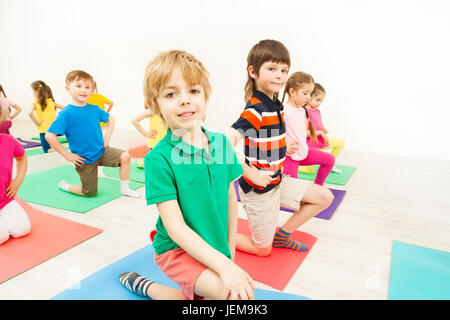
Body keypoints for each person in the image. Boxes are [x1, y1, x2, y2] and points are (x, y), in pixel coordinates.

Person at [119, 50, 255, 300]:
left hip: (213, 243)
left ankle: (143, 285)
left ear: (205, 96)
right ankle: (142, 285)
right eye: (171, 94)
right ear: (154, 105)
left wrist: (230, 253)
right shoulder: (158, 160)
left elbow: (230, 198)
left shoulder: (222, 144)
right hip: (176, 250)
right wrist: (225, 267)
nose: (185, 100)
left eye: (193, 91)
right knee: (233, 296)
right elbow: (176, 228)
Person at [226, 39, 334, 257]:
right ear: (253, 72)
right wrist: (250, 173)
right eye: (272, 68)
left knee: (324, 197)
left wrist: (285, 145)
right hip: (259, 191)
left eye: (284, 70)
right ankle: (210, 235)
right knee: (262, 250)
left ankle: (283, 235)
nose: (280, 75)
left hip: (277, 181)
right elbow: (221, 146)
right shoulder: (255, 110)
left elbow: (266, 137)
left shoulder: (276, 106)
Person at [45, 70, 139, 198]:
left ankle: (125, 189)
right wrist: (67, 155)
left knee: (125, 156)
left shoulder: (94, 108)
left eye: (88, 87)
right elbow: (49, 136)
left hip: (101, 151)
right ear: (68, 89)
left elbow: (111, 119)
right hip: (84, 158)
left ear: (92, 91)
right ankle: (65, 186)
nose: (84, 90)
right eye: (79, 86)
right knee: (89, 193)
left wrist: (107, 137)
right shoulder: (66, 113)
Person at [281, 72, 335, 185]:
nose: (308, 97)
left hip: (303, 153)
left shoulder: (302, 110)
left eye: (310, 94)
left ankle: (317, 186)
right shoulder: (283, 110)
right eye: (305, 93)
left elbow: (302, 132)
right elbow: (271, 132)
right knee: (291, 193)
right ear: (292, 92)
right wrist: (283, 144)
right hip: (290, 157)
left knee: (329, 160)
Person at [0, 108, 30, 245]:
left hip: (4, 199)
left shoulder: (8, 140)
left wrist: (18, 181)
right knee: (2, 237)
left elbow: (22, 158)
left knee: (22, 229)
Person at [305, 83, 346, 174]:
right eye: (317, 100)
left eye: (321, 101)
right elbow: (304, 132)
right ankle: (291, 165)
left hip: (320, 141)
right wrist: (320, 132)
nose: (319, 103)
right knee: (309, 171)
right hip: (310, 144)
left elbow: (319, 122)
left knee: (341, 143)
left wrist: (323, 128)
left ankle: (330, 164)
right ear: (308, 97)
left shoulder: (317, 111)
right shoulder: (305, 112)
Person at [28, 80, 65, 153]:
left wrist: (37, 122)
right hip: (53, 129)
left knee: (47, 150)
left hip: (44, 130)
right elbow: (65, 108)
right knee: (54, 146)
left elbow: (29, 113)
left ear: (36, 92)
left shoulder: (35, 103)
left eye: (32, 91)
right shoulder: (51, 102)